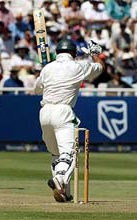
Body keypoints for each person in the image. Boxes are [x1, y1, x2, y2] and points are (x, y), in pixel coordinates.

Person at [34, 39, 104, 202]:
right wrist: (95, 55)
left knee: (56, 153)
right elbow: (99, 68)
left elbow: (36, 89)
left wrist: (46, 75)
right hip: (63, 111)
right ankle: (60, 179)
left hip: (44, 113)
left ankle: (63, 191)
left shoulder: (47, 68)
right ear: (73, 53)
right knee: (69, 153)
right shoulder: (79, 66)